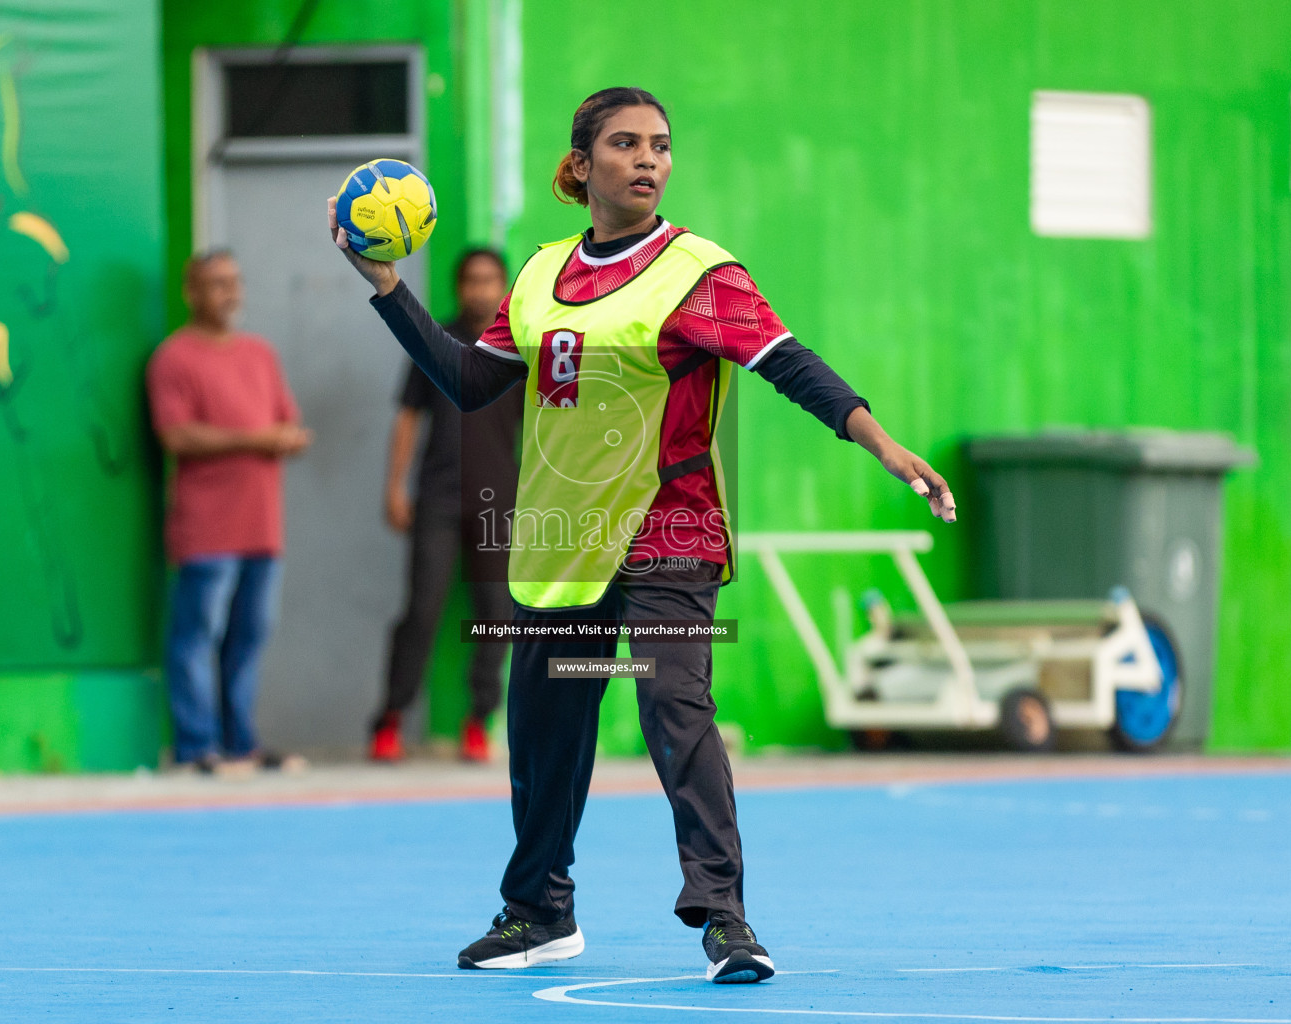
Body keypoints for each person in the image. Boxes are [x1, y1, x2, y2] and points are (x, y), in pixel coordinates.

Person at [326, 88, 955, 984]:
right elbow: (468, 382)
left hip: (670, 528)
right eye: (625, 144)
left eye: (660, 144)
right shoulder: (540, 273)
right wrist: (388, 289)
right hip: (560, 538)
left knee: (672, 704)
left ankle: (726, 919)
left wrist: (879, 440)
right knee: (544, 726)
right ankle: (538, 912)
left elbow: (788, 362)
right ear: (581, 165)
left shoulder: (700, 272)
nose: (648, 159)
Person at [146, 250, 313, 776]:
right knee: (197, 637)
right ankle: (198, 747)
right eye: (215, 284)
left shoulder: (259, 354)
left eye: (234, 282)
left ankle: (241, 743)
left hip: (262, 528)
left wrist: (282, 438)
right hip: (206, 529)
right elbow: (176, 434)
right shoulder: (173, 359)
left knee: (248, 638)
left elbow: (289, 424)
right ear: (190, 292)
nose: (229, 293)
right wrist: (260, 438)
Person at [372, 249, 524, 763]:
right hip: (436, 498)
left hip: (498, 503)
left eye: (490, 280)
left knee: (497, 615)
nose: (480, 289)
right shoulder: (435, 339)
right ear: (459, 286)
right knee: (422, 610)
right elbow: (408, 417)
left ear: (503, 286)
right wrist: (395, 486)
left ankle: (478, 721)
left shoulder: (520, 346)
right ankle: (390, 718)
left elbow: (549, 429)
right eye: (471, 280)